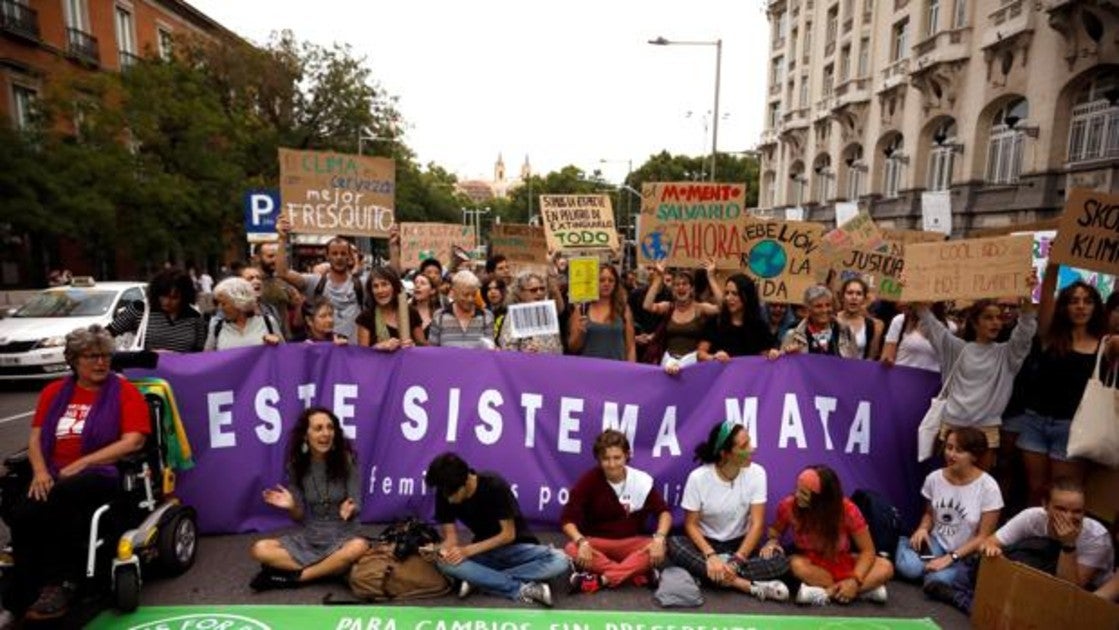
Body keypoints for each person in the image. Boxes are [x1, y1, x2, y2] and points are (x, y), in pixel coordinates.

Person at [4, 325, 149, 620]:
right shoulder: (54, 391)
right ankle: (27, 583)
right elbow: (35, 438)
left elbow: (134, 440)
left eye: (105, 356)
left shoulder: (124, 392)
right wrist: (40, 471)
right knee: (19, 506)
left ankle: (62, 582)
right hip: (53, 471)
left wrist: (84, 462)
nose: (101, 363)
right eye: (91, 356)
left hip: (102, 472)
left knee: (61, 495)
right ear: (73, 360)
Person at [914, 276, 1039, 465]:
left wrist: (1028, 298)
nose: (995, 322)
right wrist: (911, 286)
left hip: (986, 429)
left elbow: (1025, 331)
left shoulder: (1007, 354)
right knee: (949, 482)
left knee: (979, 484)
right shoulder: (955, 348)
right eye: (988, 317)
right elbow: (929, 320)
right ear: (974, 322)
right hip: (953, 426)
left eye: (998, 318)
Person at [1018, 274, 1115, 504]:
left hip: (1072, 430)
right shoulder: (1049, 336)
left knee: (1064, 496)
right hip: (1035, 423)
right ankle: (1037, 538)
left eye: (1087, 301)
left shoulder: (1106, 344)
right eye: (1073, 301)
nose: (1081, 306)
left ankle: (1061, 539)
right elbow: (1047, 293)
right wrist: (1054, 262)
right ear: (1064, 307)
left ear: (1096, 307)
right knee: (1037, 492)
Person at [667, 421, 791, 601]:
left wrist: (737, 561)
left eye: (749, 441)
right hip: (706, 546)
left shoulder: (758, 473)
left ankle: (708, 576)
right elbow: (691, 525)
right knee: (674, 544)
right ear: (725, 454)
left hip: (739, 547)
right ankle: (745, 585)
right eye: (744, 445)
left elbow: (757, 525)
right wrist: (710, 555)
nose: (752, 448)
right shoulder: (698, 478)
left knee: (780, 561)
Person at [424, 453, 568, 607]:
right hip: (483, 553)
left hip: (516, 548)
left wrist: (466, 551)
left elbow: (508, 535)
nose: (448, 499)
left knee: (560, 560)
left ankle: (481, 581)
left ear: (464, 482)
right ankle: (520, 588)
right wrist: (437, 550)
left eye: (451, 494)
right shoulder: (444, 491)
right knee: (444, 563)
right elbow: (451, 540)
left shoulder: (494, 485)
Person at [248, 407, 369, 590]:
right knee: (259, 549)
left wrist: (350, 509)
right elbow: (299, 517)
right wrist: (291, 506)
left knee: (359, 547)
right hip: (312, 536)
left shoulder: (347, 460)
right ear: (306, 435)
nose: (326, 433)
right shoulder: (296, 466)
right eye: (318, 428)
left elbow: (357, 503)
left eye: (330, 428)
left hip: (344, 535)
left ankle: (299, 577)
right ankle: (330, 569)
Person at [895, 427, 1002, 606]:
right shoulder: (934, 478)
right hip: (937, 542)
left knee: (936, 580)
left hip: (966, 554)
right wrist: (922, 529)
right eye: (949, 447)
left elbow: (984, 537)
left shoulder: (989, 487)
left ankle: (948, 572)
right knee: (910, 569)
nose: (951, 454)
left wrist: (950, 558)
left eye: (959, 451)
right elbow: (929, 514)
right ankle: (904, 542)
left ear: (974, 456)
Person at [763, 465, 893, 606]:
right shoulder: (788, 506)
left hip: (842, 561)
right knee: (796, 565)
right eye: (797, 489)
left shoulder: (848, 510)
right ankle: (861, 592)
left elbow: (868, 551)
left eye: (804, 494)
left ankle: (826, 593)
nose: (797, 495)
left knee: (885, 566)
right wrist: (772, 542)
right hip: (811, 565)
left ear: (822, 499)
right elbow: (775, 532)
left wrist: (855, 580)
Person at [560, 430, 671, 592]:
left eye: (617, 458)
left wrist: (660, 538)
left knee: (658, 546)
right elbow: (567, 520)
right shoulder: (589, 480)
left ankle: (602, 579)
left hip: (630, 543)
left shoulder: (640, 480)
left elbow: (664, 513)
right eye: (606, 459)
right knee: (571, 548)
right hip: (596, 544)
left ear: (627, 455)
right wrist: (581, 541)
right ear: (599, 459)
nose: (612, 464)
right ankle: (633, 573)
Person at [981, 479, 1114, 590]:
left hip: (1085, 590)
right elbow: (989, 543)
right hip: (1038, 575)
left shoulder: (1097, 537)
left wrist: (1069, 544)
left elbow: (1070, 589)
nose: (1068, 517)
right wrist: (992, 550)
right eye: (1061, 509)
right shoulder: (1032, 517)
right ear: (1045, 505)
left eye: (1077, 511)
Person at [275, 218, 363, 341]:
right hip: (325, 355)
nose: (339, 257)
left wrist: (393, 245)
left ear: (349, 256)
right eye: (334, 253)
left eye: (343, 254)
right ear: (327, 256)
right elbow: (282, 272)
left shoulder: (361, 284)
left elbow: (394, 276)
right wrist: (282, 239)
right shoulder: (315, 283)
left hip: (354, 354)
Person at [643, 262, 720, 373]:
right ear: (673, 289)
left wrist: (711, 277)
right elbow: (647, 305)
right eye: (676, 284)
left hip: (692, 365)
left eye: (685, 284)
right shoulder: (668, 307)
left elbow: (722, 307)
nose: (681, 287)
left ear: (692, 289)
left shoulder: (700, 308)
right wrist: (659, 277)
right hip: (668, 363)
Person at [106, 267, 206, 353]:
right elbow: (105, 335)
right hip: (145, 373)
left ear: (185, 297)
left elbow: (198, 354)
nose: (167, 302)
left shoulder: (195, 318)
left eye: (174, 297)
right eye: (163, 296)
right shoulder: (140, 310)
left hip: (181, 372)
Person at [698, 274, 779, 362]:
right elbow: (700, 354)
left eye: (735, 293)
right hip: (720, 374)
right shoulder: (715, 322)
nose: (729, 298)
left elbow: (765, 356)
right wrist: (713, 357)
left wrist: (772, 354)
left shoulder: (759, 326)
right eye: (727, 293)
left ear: (747, 296)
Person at [567, 265, 636, 362]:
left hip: (617, 372)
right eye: (601, 280)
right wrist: (580, 332)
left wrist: (631, 372)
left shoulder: (623, 309)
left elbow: (631, 347)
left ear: (616, 284)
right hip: (589, 371)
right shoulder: (582, 309)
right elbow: (573, 347)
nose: (606, 283)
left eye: (611, 280)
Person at [355, 267, 425, 352]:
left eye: (384, 284)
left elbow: (423, 347)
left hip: (407, 364)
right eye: (375, 286)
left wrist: (414, 346)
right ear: (371, 291)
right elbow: (362, 355)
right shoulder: (366, 317)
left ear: (394, 287)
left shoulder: (410, 312)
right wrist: (378, 347)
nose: (380, 290)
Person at [204, 277, 283, 351]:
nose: (220, 308)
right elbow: (207, 359)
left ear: (239, 303)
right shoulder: (216, 326)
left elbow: (284, 355)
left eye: (223, 304)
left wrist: (276, 344)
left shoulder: (268, 322)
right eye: (218, 303)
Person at [781, 285, 859, 358]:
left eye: (828, 305)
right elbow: (784, 366)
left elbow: (855, 364)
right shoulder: (793, 336)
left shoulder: (845, 331)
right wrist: (788, 354)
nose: (824, 310)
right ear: (808, 309)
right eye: (818, 306)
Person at [497, 271, 564, 354]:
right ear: (520, 293)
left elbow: (557, 343)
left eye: (542, 289)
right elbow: (507, 348)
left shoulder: (548, 311)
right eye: (533, 290)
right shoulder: (514, 316)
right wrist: (524, 353)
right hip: (527, 364)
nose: (539, 293)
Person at [428, 271, 495, 350]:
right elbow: (432, 351)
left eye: (473, 294)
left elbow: (490, 350)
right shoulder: (440, 316)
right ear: (454, 293)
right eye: (465, 294)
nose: (470, 299)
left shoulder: (486, 316)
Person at [880, 303, 955, 371]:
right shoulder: (900, 321)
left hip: (933, 383)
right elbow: (887, 355)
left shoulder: (950, 327)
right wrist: (887, 361)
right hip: (902, 378)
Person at [834, 278, 885, 360]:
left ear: (864, 299)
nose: (854, 297)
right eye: (850, 293)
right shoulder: (831, 321)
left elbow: (870, 358)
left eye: (859, 294)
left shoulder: (871, 326)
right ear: (842, 296)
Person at [410, 273, 442, 339]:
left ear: (432, 291)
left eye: (423, 283)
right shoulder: (406, 312)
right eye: (415, 283)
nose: (417, 286)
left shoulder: (440, 314)